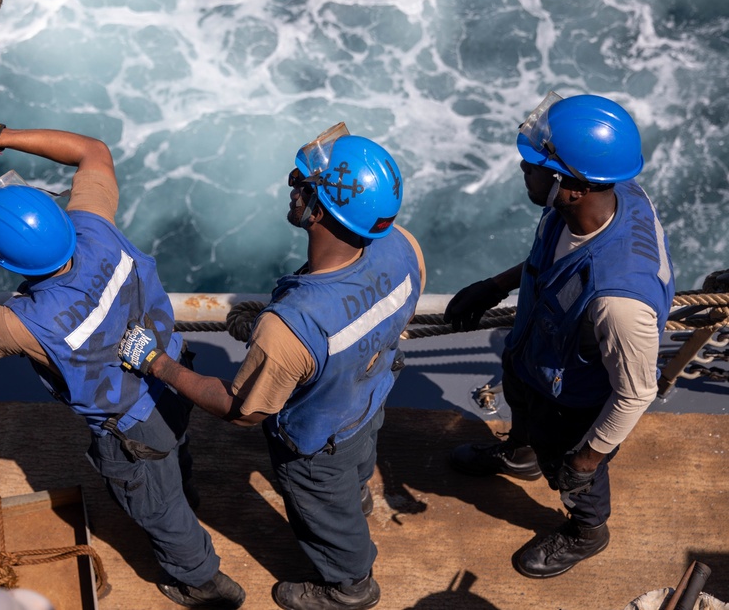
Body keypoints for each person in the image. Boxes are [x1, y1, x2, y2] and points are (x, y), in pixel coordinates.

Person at [0, 118, 245, 609]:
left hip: (132, 430)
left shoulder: (21, 323)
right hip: (173, 375)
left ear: (3, 260)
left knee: (159, 508)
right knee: (174, 452)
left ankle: (204, 582)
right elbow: (93, 151)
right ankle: (184, 486)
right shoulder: (95, 227)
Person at [118, 123, 425, 610]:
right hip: (367, 399)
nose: (291, 184)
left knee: (321, 509)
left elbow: (242, 410)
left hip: (317, 441)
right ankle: (358, 495)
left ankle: (350, 586)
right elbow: (372, 317)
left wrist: (156, 364)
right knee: (357, 463)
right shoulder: (402, 246)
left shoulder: (291, 327)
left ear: (319, 210)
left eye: (301, 184)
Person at [443, 93, 675, 578]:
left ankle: (586, 531)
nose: (523, 172)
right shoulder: (595, 200)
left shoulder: (618, 302)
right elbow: (555, 261)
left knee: (572, 466)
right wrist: (496, 286)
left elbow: (635, 393)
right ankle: (522, 452)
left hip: (573, 399)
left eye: (533, 167)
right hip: (538, 352)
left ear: (571, 186)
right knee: (522, 399)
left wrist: (587, 459)